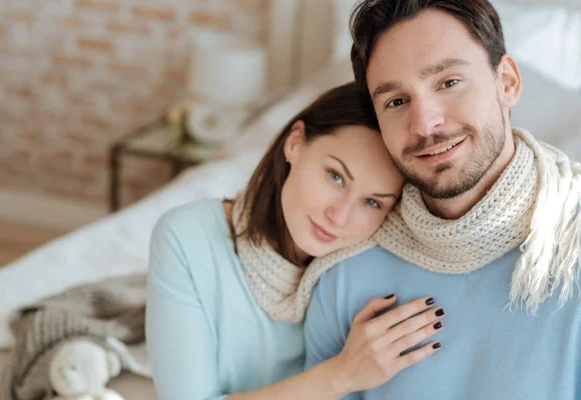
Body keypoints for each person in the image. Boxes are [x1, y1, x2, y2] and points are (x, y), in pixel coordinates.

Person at [303, 1, 581, 399]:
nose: (425, 124)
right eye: (396, 102)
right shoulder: (344, 272)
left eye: (448, 82)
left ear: (507, 83)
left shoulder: (571, 243)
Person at [146, 82, 447, 400]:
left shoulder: (366, 267)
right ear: (295, 143)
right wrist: (342, 375)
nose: (340, 216)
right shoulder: (187, 237)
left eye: (372, 202)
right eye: (335, 176)